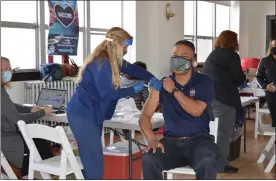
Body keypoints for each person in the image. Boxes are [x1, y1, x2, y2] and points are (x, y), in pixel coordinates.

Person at [66, 27, 162, 179]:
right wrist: (132, 89)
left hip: (92, 113)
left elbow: (134, 69)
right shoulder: (102, 63)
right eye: (125, 47)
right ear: (116, 44)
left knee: (92, 160)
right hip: (83, 114)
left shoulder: (113, 61)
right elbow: (108, 94)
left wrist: (151, 77)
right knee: (94, 164)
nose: (126, 50)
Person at [139, 40, 219, 180]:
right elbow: (145, 116)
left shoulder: (204, 82)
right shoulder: (161, 85)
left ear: (193, 60)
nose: (178, 60)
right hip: (170, 143)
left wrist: (174, 90)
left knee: (206, 161)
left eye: (183, 56)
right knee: (149, 159)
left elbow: (196, 110)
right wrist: (151, 138)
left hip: (198, 141)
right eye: (175, 55)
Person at [1, 57, 54, 179]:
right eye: (2, 69)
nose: (7, 71)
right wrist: (42, 113)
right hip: (6, 139)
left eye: (8, 68)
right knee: (39, 141)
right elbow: (17, 120)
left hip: (5, 135)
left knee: (35, 141)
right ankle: (50, 174)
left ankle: (28, 175)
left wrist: (30, 109)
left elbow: (10, 106)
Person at [202, 30, 246, 173]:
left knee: (214, 132)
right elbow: (238, 78)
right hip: (225, 98)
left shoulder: (213, 54)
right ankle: (220, 165)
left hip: (210, 97)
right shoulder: (231, 55)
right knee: (223, 133)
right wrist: (243, 77)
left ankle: (212, 161)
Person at [256, 37, 276, 127]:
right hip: (272, 94)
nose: (274, 47)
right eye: (272, 45)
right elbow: (259, 77)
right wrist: (266, 86)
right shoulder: (265, 61)